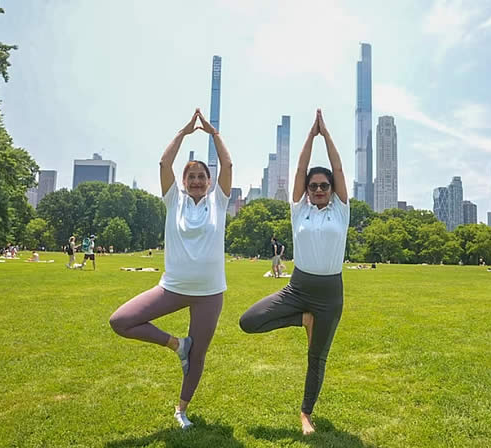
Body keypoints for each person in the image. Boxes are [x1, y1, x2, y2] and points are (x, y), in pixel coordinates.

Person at [109, 108, 232, 430]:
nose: (195, 181)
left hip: (209, 293)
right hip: (172, 287)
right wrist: (184, 133)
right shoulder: (173, 201)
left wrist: (214, 134)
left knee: (199, 357)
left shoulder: (218, 202)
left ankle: (181, 409)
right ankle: (177, 344)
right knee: (121, 321)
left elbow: (228, 165)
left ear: (209, 182)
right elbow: (164, 164)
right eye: (190, 177)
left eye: (201, 177)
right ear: (183, 181)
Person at [239, 109, 349, 435]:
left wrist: (326, 136)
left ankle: (306, 414)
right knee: (249, 321)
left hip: (330, 295)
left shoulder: (340, 211)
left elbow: (339, 168)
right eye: (313, 185)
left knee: (317, 358)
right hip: (297, 289)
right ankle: (303, 319)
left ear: (331, 189)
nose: (317, 189)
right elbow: (300, 168)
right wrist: (309, 137)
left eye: (323, 186)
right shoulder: (299, 211)